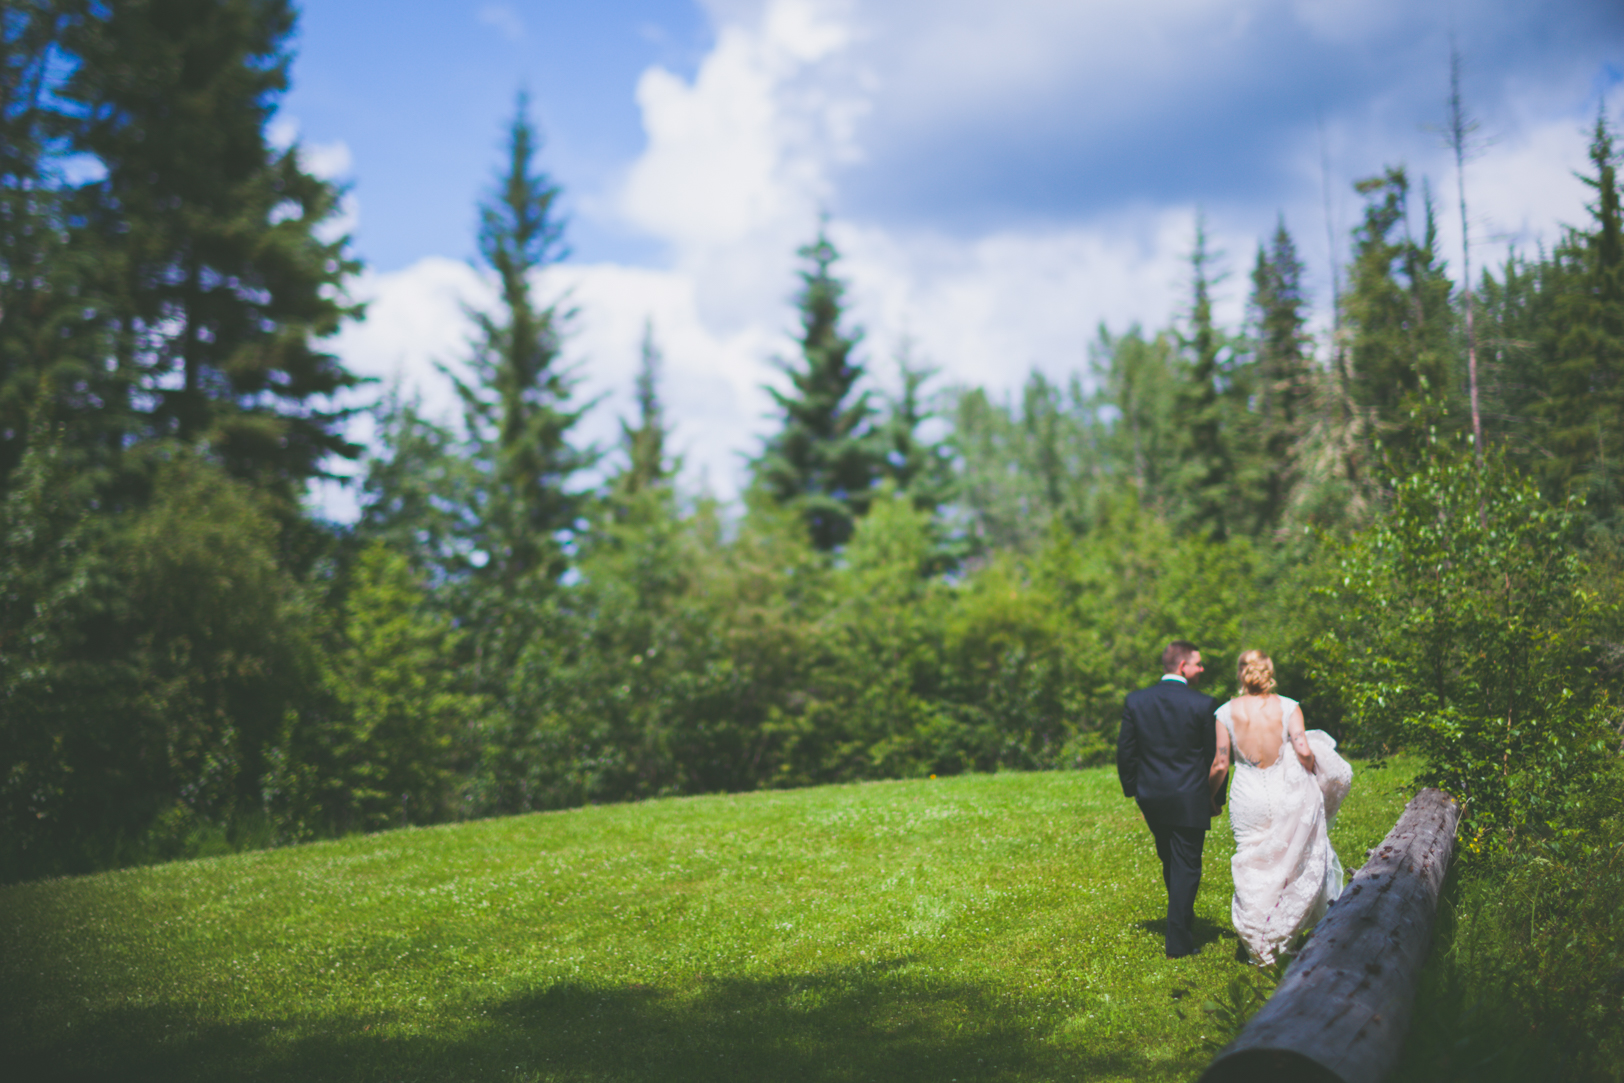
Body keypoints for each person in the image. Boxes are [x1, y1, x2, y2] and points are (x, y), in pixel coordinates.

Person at [1218, 649, 1353, 966]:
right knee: (1286, 858)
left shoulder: (1224, 712)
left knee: (1252, 858)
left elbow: (1220, 763)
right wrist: (1312, 770)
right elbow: (1304, 749)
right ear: (1269, 670)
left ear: (1241, 672)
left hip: (1247, 794)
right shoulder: (1290, 707)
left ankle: (1259, 944)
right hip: (1283, 792)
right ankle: (1284, 930)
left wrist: (1211, 797)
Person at [1116, 641, 1229, 958]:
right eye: (1198, 663)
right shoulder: (1204, 704)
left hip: (1151, 796)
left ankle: (1182, 918)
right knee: (1187, 866)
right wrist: (1215, 797)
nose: (1202, 669)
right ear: (1183, 666)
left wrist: (1133, 790)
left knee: (1171, 859)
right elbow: (1213, 755)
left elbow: (1126, 751)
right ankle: (1178, 942)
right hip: (1189, 797)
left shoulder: (1136, 700)